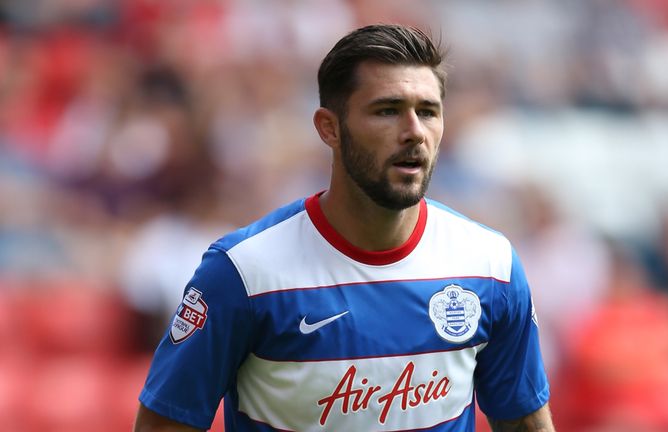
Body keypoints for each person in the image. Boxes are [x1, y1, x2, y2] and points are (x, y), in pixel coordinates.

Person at [133, 24, 554, 432]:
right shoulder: (243, 273)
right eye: (387, 111)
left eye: (428, 112)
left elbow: (523, 421)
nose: (414, 133)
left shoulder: (490, 265)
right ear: (329, 128)